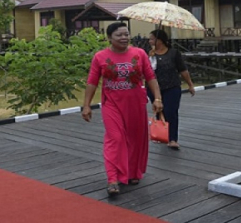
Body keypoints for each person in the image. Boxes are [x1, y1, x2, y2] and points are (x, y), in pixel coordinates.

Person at [82, 22, 163, 196]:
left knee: (135, 140)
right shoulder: (100, 57)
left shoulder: (139, 54)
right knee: (115, 139)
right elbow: (92, 82)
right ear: (109, 37)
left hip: (136, 104)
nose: (124, 38)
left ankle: (133, 173)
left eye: (126, 34)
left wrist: (157, 98)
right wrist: (87, 105)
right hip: (111, 104)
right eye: (119, 35)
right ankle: (112, 179)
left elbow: (150, 77)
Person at [147, 29, 195, 150]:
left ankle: (172, 138)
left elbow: (182, 70)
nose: (150, 41)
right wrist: (150, 57)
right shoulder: (150, 54)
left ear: (160, 40)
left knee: (171, 112)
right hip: (154, 88)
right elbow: (147, 72)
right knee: (159, 110)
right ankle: (161, 135)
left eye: (152, 38)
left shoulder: (173, 53)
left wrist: (190, 84)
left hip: (171, 86)